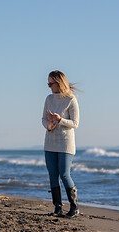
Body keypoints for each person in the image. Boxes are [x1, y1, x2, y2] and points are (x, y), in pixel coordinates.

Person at [42, 70, 80, 217]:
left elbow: (75, 123)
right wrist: (49, 125)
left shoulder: (71, 100)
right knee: (52, 175)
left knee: (64, 174)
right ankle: (57, 208)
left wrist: (60, 120)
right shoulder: (49, 98)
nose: (49, 87)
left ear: (59, 83)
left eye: (51, 84)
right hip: (50, 142)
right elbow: (43, 119)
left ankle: (74, 207)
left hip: (65, 143)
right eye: (48, 84)